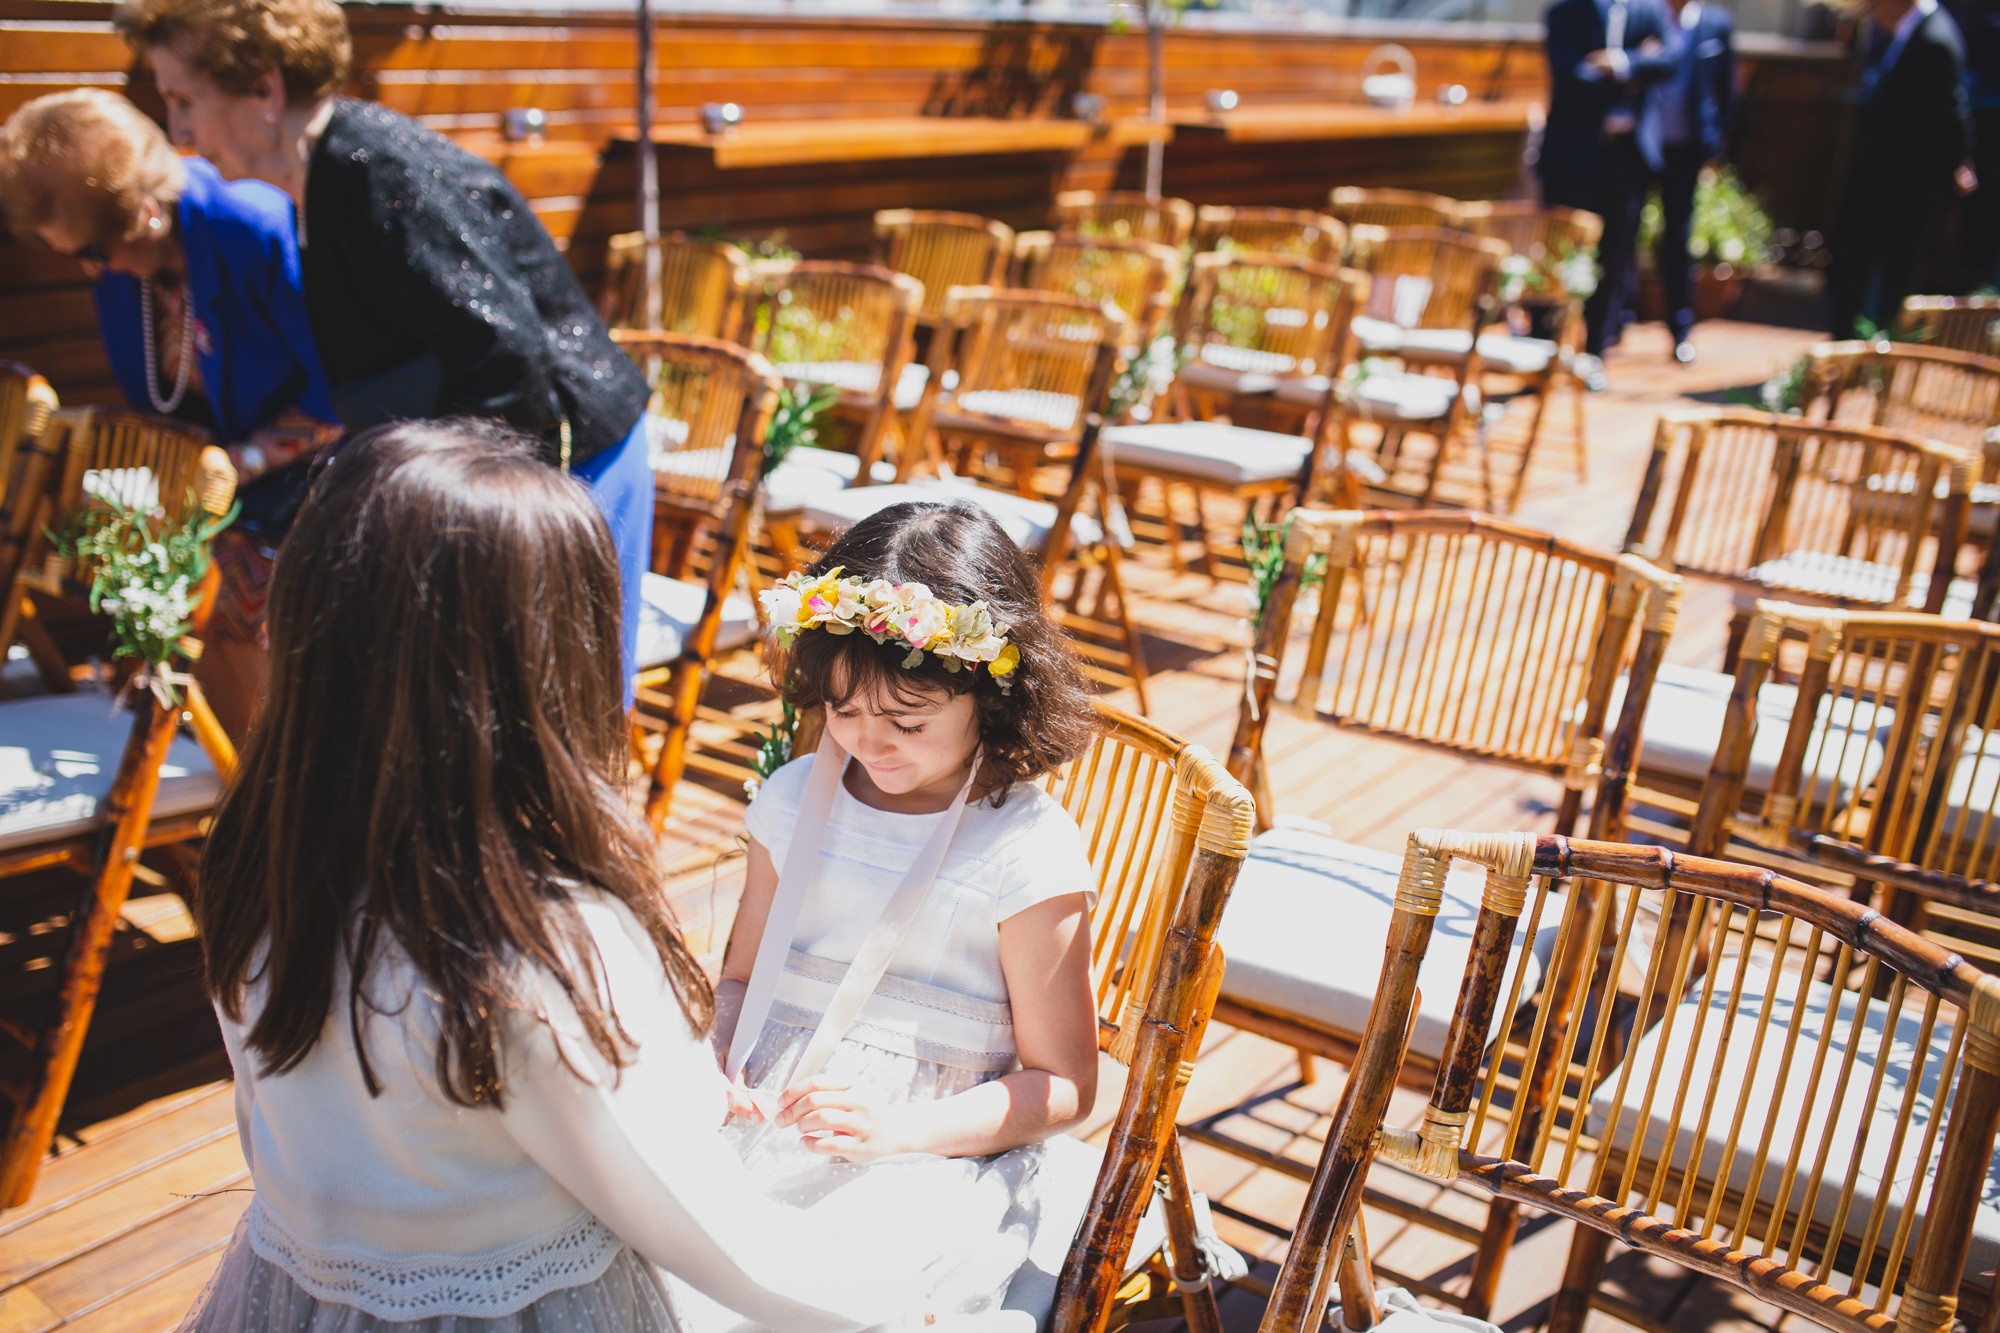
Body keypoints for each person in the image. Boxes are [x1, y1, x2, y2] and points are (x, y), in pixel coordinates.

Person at [179, 417, 937, 1331]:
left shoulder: (258, 854)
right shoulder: (534, 938)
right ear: (550, 664)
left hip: (296, 1293)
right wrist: (893, 1310)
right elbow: (701, 1221)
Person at [111, 0, 653, 682]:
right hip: (501, 464)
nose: (179, 129)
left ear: (265, 89)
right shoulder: (320, 180)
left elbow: (507, 364)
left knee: (567, 711)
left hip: (569, 465)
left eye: (186, 99)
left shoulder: (374, 174)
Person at [696, 500, 1104, 1328]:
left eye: (908, 721)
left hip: (927, 1147)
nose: (868, 743)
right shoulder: (789, 800)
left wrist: (897, 1130)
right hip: (761, 1108)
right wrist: (714, 1049)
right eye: (843, 712)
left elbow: (1065, 1083)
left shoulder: (1022, 847)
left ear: (993, 696)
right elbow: (740, 977)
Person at [0, 88, 338, 738]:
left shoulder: (251, 226)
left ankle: (267, 776)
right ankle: (212, 773)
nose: (93, 270)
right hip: (213, 489)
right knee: (147, 590)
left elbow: (344, 389)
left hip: (311, 483)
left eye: (94, 250)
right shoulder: (125, 267)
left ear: (148, 214)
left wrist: (244, 462)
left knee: (230, 607)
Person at [1539, 0, 1681, 386]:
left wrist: (1617, 63)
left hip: (1627, 158)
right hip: (1573, 157)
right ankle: (1543, 350)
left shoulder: (1649, 12)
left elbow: (1672, 60)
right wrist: (1638, 69)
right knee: (1557, 252)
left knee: (1615, 256)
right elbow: (1570, 79)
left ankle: (1595, 351)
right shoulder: (1566, 12)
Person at [1828, 0, 1978, 337]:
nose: (1869, 11)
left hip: (1910, 187)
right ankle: (1847, 346)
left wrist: (1959, 161)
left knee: (1895, 273)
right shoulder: (1893, 35)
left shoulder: (1935, 39)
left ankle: (1881, 352)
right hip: (1876, 180)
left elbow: (1950, 113)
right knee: (1856, 266)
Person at [1652, 0, 1736, 365]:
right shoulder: (1646, 13)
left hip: (1686, 147)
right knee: (1622, 235)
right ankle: (1613, 327)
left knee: (1678, 235)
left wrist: (1716, 145)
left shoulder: (1716, 23)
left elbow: (1727, 87)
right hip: (1640, 143)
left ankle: (1679, 328)